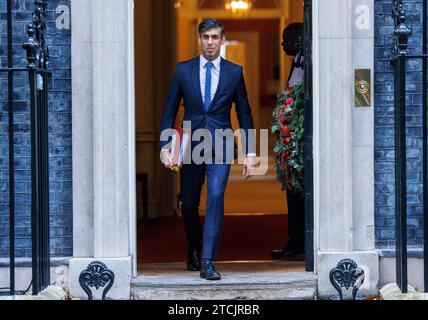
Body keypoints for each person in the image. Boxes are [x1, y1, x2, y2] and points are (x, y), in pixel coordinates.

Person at [158, 19, 257, 281]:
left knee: (215, 197)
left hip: (222, 145)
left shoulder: (234, 72)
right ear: (199, 40)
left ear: (222, 39)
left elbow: (244, 113)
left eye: (215, 37)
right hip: (190, 144)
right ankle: (193, 246)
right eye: (205, 37)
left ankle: (208, 260)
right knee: (189, 204)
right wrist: (165, 145)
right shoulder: (183, 71)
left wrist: (250, 151)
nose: (210, 42)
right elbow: (169, 109)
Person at [271, 23, 306, 260]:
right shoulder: (298, 60)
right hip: (291, 136)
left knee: (298, 192)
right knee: (293, 191)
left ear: (300, 39)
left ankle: (300, 242)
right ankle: (295, 241)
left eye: (287, 38)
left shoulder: (307, 62)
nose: (283, 44)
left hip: (301, 140)